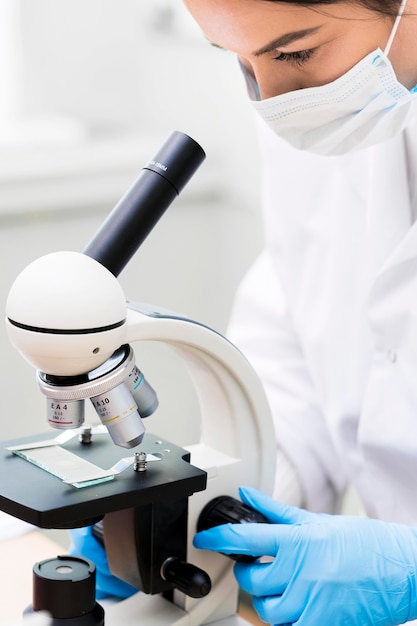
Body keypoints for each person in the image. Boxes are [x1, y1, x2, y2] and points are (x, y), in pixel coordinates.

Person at [70, 0, 417, 624]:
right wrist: (197, 517)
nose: (272, 100)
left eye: (294, 52)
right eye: (241, 61)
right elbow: (297, 356)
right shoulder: (325, 115)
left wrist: (413, 572)